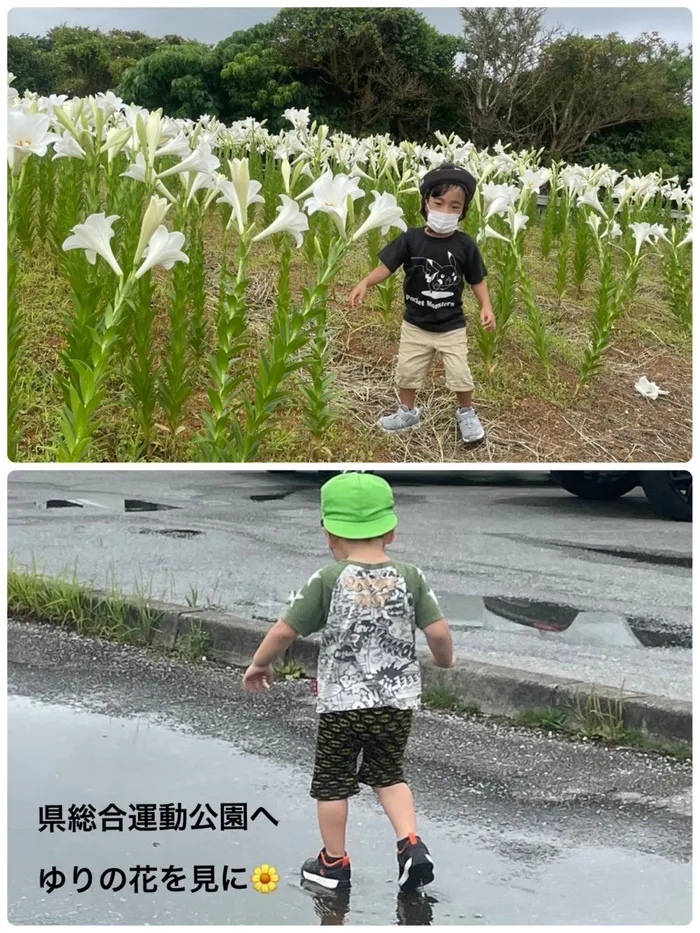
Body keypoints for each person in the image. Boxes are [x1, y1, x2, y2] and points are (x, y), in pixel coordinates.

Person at [242, 472, 456, 893]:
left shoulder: (329, 578)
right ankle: (411, 845)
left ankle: (333, 863)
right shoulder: (410, 576)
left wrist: (258, 665)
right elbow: (439, 633)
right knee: (389, 775)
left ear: (329, 534)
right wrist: (444, 661)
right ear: (390, 531)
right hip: (396, 703)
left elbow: (285, 630)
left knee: (333, 782)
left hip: (343, 705)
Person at [349, 161, 495, 443]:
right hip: (415, 323)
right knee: (408, 372)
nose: (445, 211)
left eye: (454, 207)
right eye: (438, 203)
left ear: (463, 212)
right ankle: (407, 411)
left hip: (451, 326)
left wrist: (486, 306)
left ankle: (466, 412)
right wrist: (365, 282)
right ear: (425, 203)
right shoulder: (410, 239)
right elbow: (387, 266)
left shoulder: (465, 245)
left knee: (460, 373)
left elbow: (477, 279)